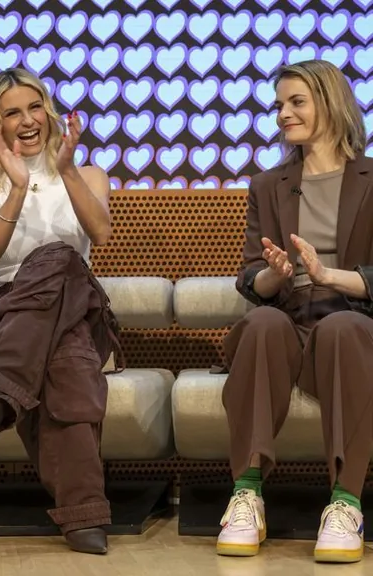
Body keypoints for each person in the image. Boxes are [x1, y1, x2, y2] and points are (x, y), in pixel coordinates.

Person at [0, 68, 120, 554]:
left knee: (62, 259)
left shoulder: (88, 174)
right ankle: (84, 514)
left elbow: (101, 233)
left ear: (48, 113)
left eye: (34, 108)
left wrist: (64, 170)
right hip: (9, 316)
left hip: (81, 310)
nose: (27, 120)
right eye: (12, 113)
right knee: (70, 364)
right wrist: (20, 186)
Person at [217, 59, 373, 563]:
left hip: (353, 324)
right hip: (289, 322)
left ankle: (346, 504)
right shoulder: (269, 184)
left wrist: (330, 276)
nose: (283, 113)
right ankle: (247, 494)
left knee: (345, 327)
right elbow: (249, 279)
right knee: (261, 321)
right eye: (280, 104)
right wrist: (275, 275)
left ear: (331, 102)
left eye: (296, 102)